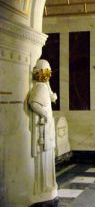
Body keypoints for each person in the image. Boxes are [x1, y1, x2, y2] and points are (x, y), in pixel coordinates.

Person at [28, 59, 57, 195]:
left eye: (48, 73)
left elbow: (48, 99)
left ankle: (48, 184)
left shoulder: (44, 87)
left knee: (48, 158)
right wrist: (45, 115)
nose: (48, 76)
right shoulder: (40, 87)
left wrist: (51, 95)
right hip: (43, 130)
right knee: (44, 159)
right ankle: (43, 186)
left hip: (47, 129)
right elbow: (34, 104)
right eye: (46, 73)